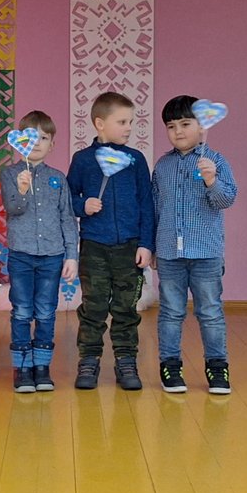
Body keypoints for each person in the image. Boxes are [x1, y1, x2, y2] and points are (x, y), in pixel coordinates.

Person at [67, 92, 154, 390]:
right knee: (93, 307)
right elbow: (68, 199)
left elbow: (146, 204)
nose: (129, 127)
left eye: (131, 122)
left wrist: (146, 244)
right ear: (100, 123)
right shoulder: (82, 160)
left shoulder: (136, 160)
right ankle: (89, 359)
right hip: (94, 246)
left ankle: (126, 360)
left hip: (129, 247)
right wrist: (83, 205)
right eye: (122, 122)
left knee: (126, 307)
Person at [152, 95, 238, 394]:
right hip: (168, 253)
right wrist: (152, 247)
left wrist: (212, 180)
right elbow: (155, 207)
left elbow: (226, 200)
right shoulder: (162, 165)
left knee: (210, 312)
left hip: (206, 253)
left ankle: (217, 367)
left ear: (202, 126)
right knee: (170, 312)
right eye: (171, 126)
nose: (178, 131)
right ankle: (170, 366)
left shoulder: (216, 161)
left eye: (185, 124)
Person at [1, 111, 78, 392]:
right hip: (20, 254)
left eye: (43, 138)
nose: (36, 143)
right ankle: (22, 368)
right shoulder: (10, 173)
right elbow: (13, 208)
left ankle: (42, 367)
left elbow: (67, 217)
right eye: (29, 137)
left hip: (52, 255)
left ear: (52, 144)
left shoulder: (58, 178)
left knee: (46, 311)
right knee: (22, 310)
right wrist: (22, 190)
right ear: (18, 142)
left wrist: (72, 255)